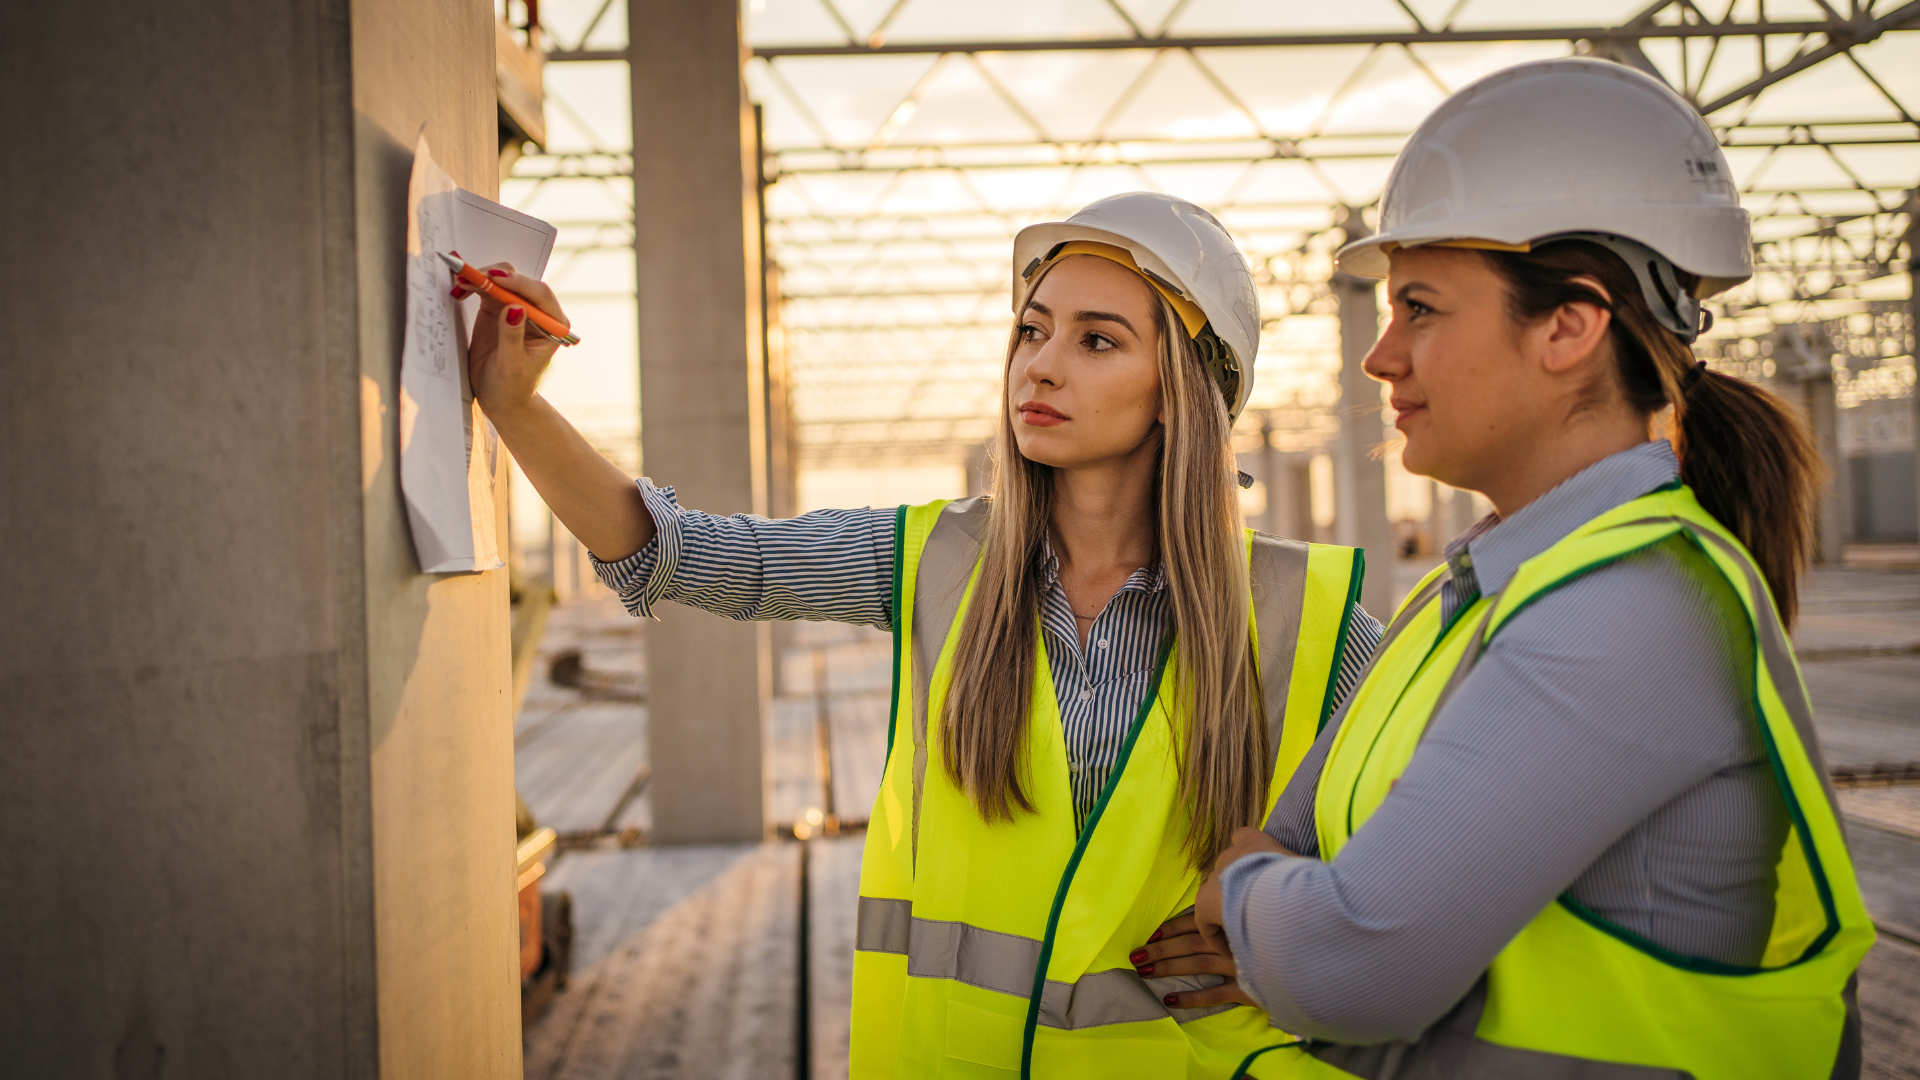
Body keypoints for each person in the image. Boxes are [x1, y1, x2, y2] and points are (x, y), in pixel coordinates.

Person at [464, 191, 1385, 1078]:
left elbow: (1452, 851)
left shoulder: (1309, 618)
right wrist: (514, 405)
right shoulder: (928, 561)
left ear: (1182, 391)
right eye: (1032, 329)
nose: (1042, 364)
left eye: (1096, 340)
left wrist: (1303, 935)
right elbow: (690, 556)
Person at [1133, 58, 1875, 1080]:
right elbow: (1300, 844)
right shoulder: (1469, 595)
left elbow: (1348, 964)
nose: (1378, 356)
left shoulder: (1632, 614)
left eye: (1422, 309)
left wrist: (1249, 897)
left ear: (1569, 326)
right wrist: (1281, 900)